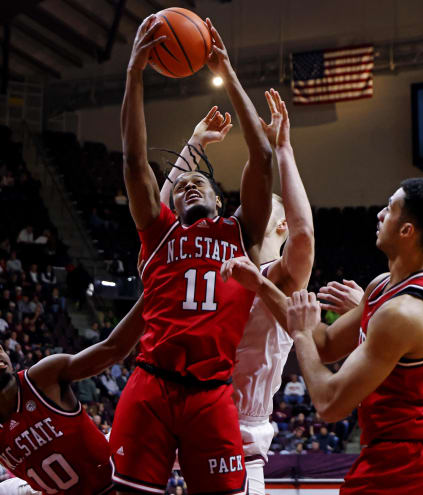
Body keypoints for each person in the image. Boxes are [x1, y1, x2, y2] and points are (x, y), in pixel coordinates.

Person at [109, 14, 273, 495]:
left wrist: (227, 68)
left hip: (212, 393)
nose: (189, 184)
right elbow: (134, 161)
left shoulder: (240, 231)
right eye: (179, 186)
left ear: (219, 199)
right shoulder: (157, 233)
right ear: (169, 201)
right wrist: (134, 74)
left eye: (199, 181)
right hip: (151, 386)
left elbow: (261, 158)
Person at [222, 178, 423, 493]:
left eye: (390, 208)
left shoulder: (403, 313)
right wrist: (262, 285)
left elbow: (329, 404)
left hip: (413, 462)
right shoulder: (382, 285)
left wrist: (299, 332)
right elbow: (325, 345)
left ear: (407, 230)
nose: (380, 214)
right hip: (390, 452)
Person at [159, 88, 313, 495]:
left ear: (280, 225)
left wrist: (283, 150)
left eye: (270, 208)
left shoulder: (279, 277)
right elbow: (161, 227)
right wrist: (192, 146)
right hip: (178, 422)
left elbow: (304, 235)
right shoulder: (210, 263)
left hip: (238, 435)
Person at [0, 298, 145, 495]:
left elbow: (113, 349)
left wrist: (153, 288)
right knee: (2, 491)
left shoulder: (43, 377)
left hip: (113, 481)